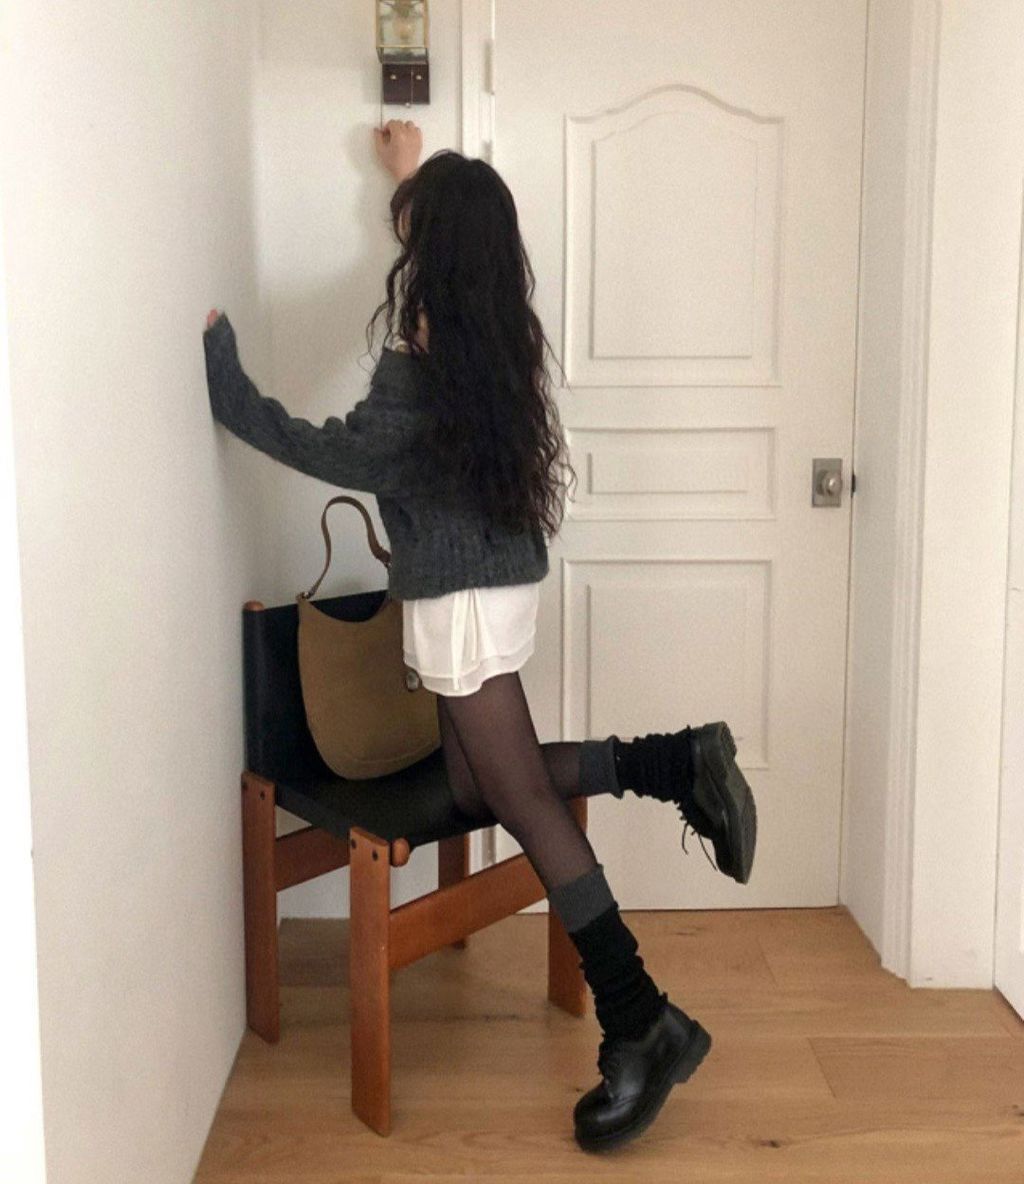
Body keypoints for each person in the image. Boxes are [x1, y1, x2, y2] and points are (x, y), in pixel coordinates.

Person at [202, 118, 757, 1153]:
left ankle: (641, 1017)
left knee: (518, 800)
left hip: (458, 603)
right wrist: (411, 173)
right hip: (497, 586)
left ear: (434, 253)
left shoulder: (418, 369)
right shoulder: (493, 340)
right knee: (479, 785)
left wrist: (227, 384)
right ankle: (672, 761)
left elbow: (330, 450)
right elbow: (446, 227)